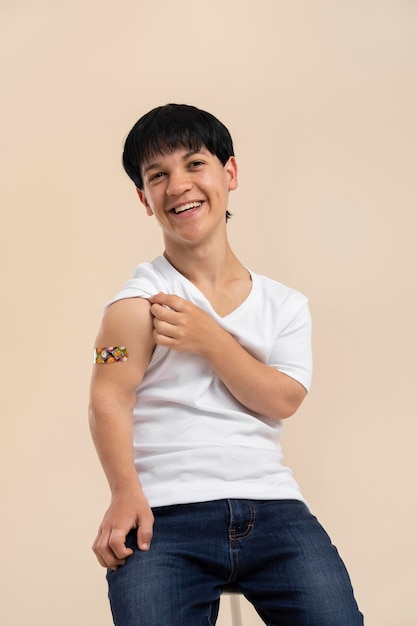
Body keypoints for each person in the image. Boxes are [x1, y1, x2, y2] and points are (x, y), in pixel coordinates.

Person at [89, 103, 363, 625]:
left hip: (275, 507)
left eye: (195, 164)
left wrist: (211, 339)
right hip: (164, 516)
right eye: (157, 176)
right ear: (144, 199)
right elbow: (109, 394)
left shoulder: (286, 305)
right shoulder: (133, 308)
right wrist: (125, 493)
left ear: (229, 173)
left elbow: (283, 398)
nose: (178, 186)